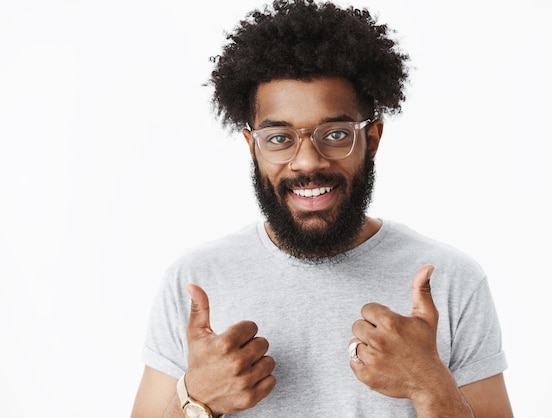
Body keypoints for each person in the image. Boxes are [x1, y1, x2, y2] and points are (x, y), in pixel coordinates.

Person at [131, 1, 513, 417]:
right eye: (279, 138)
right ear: (252, 147)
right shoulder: (195, 280)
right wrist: (195, 400)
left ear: (374, 138)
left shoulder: (451, 279)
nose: (309, 161)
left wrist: (429, 385)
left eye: (335, 134)